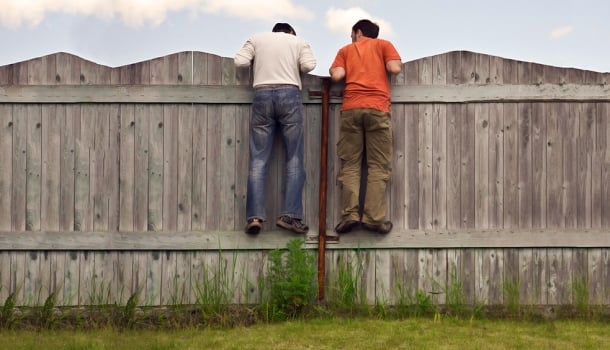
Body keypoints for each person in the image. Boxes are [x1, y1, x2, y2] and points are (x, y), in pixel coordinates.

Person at [235, 23, 317, 235]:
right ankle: (289, 216)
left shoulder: (256, 38)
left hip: (261, 94)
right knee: (294, 158)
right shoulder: (298, 41)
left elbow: (240, 62)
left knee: (258, 160)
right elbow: (309, 66)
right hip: (289, 94)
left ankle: (254, 217)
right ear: (291, 32)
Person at [329, 19, 402, 234]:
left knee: (350, 164)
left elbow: (337, 75)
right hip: (377, 108)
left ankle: (350, 215)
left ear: (357, 31)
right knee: (378, 165)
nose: (351, 37)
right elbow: (394, 68)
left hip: (351, 108)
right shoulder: (384, 45)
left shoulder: (346, 50)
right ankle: (373, 218)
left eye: (352, 33)